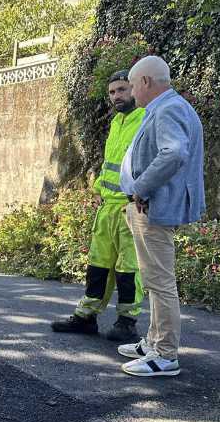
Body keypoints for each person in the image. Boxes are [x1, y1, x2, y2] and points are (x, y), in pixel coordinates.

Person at [118, 55, 205, 377]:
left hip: (152, 207)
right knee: (154, 280)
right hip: (151, 206)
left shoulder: (168, 109)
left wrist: (140, 188)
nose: (129, 95)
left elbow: (174, 153)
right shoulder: (169, 107)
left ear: (144, 82)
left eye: (130, 87)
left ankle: (165, 354)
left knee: (160, 281)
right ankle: (154, 342)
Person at [51, 70, 145, 341]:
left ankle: (127, 321)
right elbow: (110, 165)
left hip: (130, 207)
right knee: (98, 265)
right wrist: (99, 190)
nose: (117, 96)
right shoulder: (117, 122)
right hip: (107, 208)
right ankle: (87, 316)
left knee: (129, 268)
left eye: (122, 90)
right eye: (113, 92)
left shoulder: (144, 120)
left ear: (134, 89)